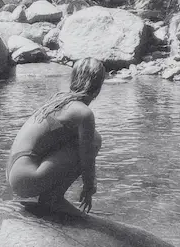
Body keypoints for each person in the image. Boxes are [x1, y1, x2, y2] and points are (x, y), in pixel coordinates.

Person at [7, 57, 106, 216]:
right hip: (27, 177)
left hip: (15, 171)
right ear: (99, 86)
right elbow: (87, 157)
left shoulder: (59, 100)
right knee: (94, 140)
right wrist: (89, 187)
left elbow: (50, 138)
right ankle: (54, 198)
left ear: (73, 79)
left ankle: (51, 197)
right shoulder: (84, 113)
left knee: (76, 138)